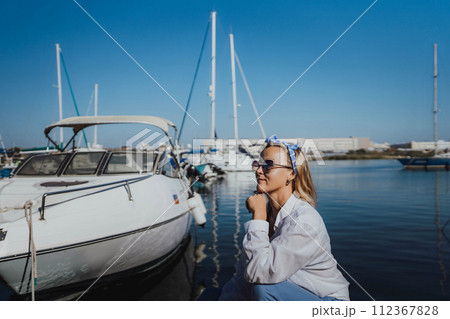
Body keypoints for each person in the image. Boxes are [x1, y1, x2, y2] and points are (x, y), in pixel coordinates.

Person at [198, 135, 349, 301]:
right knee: (210, 296)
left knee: (264, 289)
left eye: (268, 165)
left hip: (325, 301)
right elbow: (244, 275)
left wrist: (258, 218)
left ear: (291, 174)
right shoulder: (268, 213)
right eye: (258, 164)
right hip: (285, 292)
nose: (258, 171)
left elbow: (260, 274)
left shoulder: (304, 221)